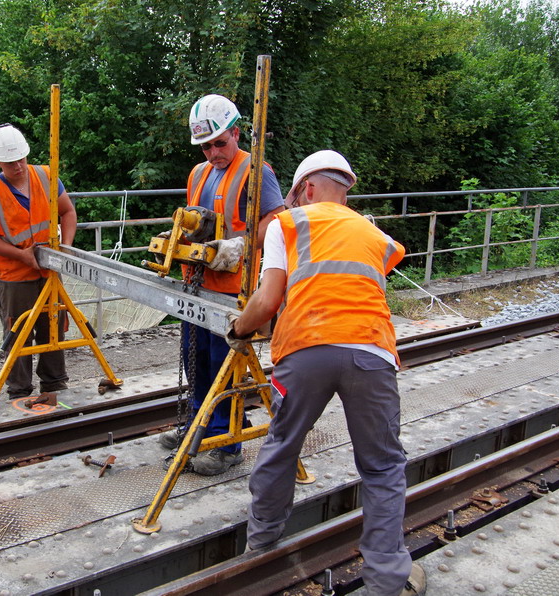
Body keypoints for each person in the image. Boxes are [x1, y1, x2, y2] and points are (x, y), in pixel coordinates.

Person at [226, 150, 426, 596]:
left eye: (296, 195)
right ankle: (386, 582)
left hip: (305, 349)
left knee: (282, 447)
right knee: (383, 466)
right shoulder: (374, 234)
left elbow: (267, 301)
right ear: (344, 191)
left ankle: (261, 547)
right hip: (371, 352)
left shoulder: (286, 225)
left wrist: (238, 329)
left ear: (307, 189)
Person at [158, 94, 285, 476]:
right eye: (205, 146)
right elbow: (196, 220)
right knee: (195, 360)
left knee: (222, 366)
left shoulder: (256, 171)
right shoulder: (198, 173)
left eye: (219, 143)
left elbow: (276, 221)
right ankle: (199, 426)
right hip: (197, 283)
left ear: (236, 133)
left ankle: (226, 444)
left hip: (231, 289)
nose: (213, 153)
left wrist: (240, 245)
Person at [0, 123, 77, 400]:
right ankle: (19, 392)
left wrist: (66, 247)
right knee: (18, 331)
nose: (18, 166)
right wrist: (21, 255)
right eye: (10, 163)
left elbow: (68, 212)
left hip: (50, 270)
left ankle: (54, 384)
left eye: (21, 159)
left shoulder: (46, 176)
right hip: (14, 277)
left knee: (53, 325)